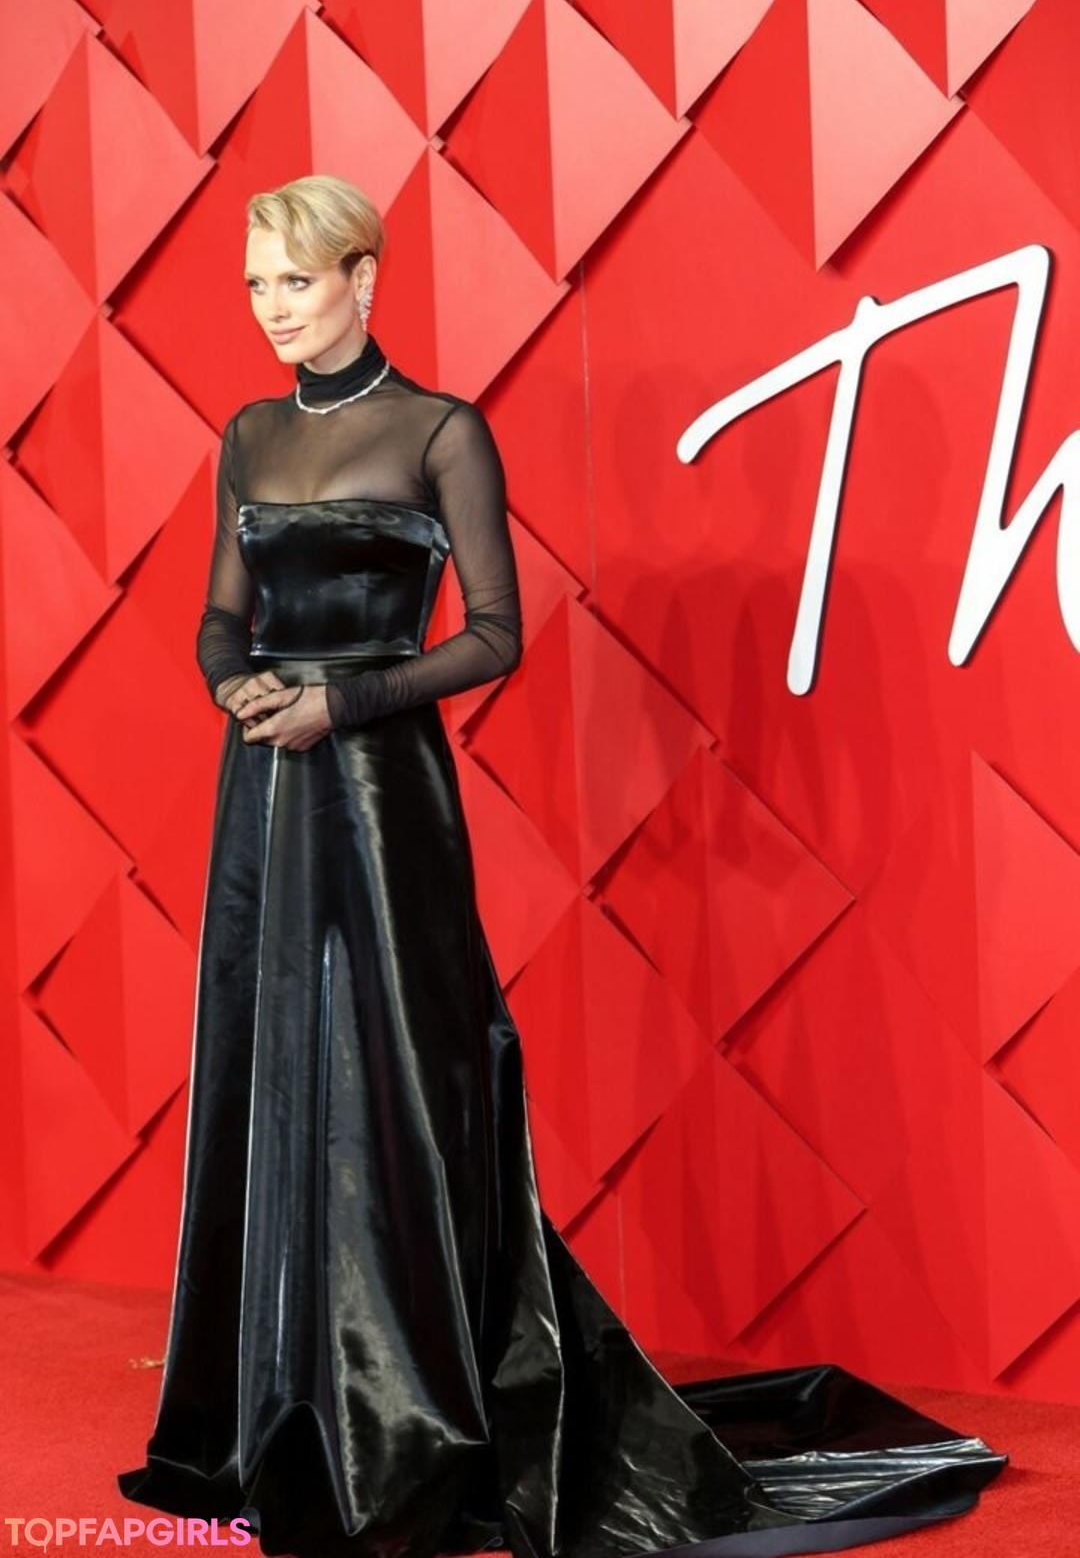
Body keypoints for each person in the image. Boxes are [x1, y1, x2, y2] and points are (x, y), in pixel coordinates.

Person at [117, 174, 1006, 1558]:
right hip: (266, 797)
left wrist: (343, 702)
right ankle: (275, 1411)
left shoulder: (441, 432)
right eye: (255, 285)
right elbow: (219, 617)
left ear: (363, 277)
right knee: (270, 1058)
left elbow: (494, 634)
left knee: (403, 1077)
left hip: (381, 794)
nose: (271, 309)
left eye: (295, 280)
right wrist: (236, 685)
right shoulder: (246, 436)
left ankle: (407, 1417)